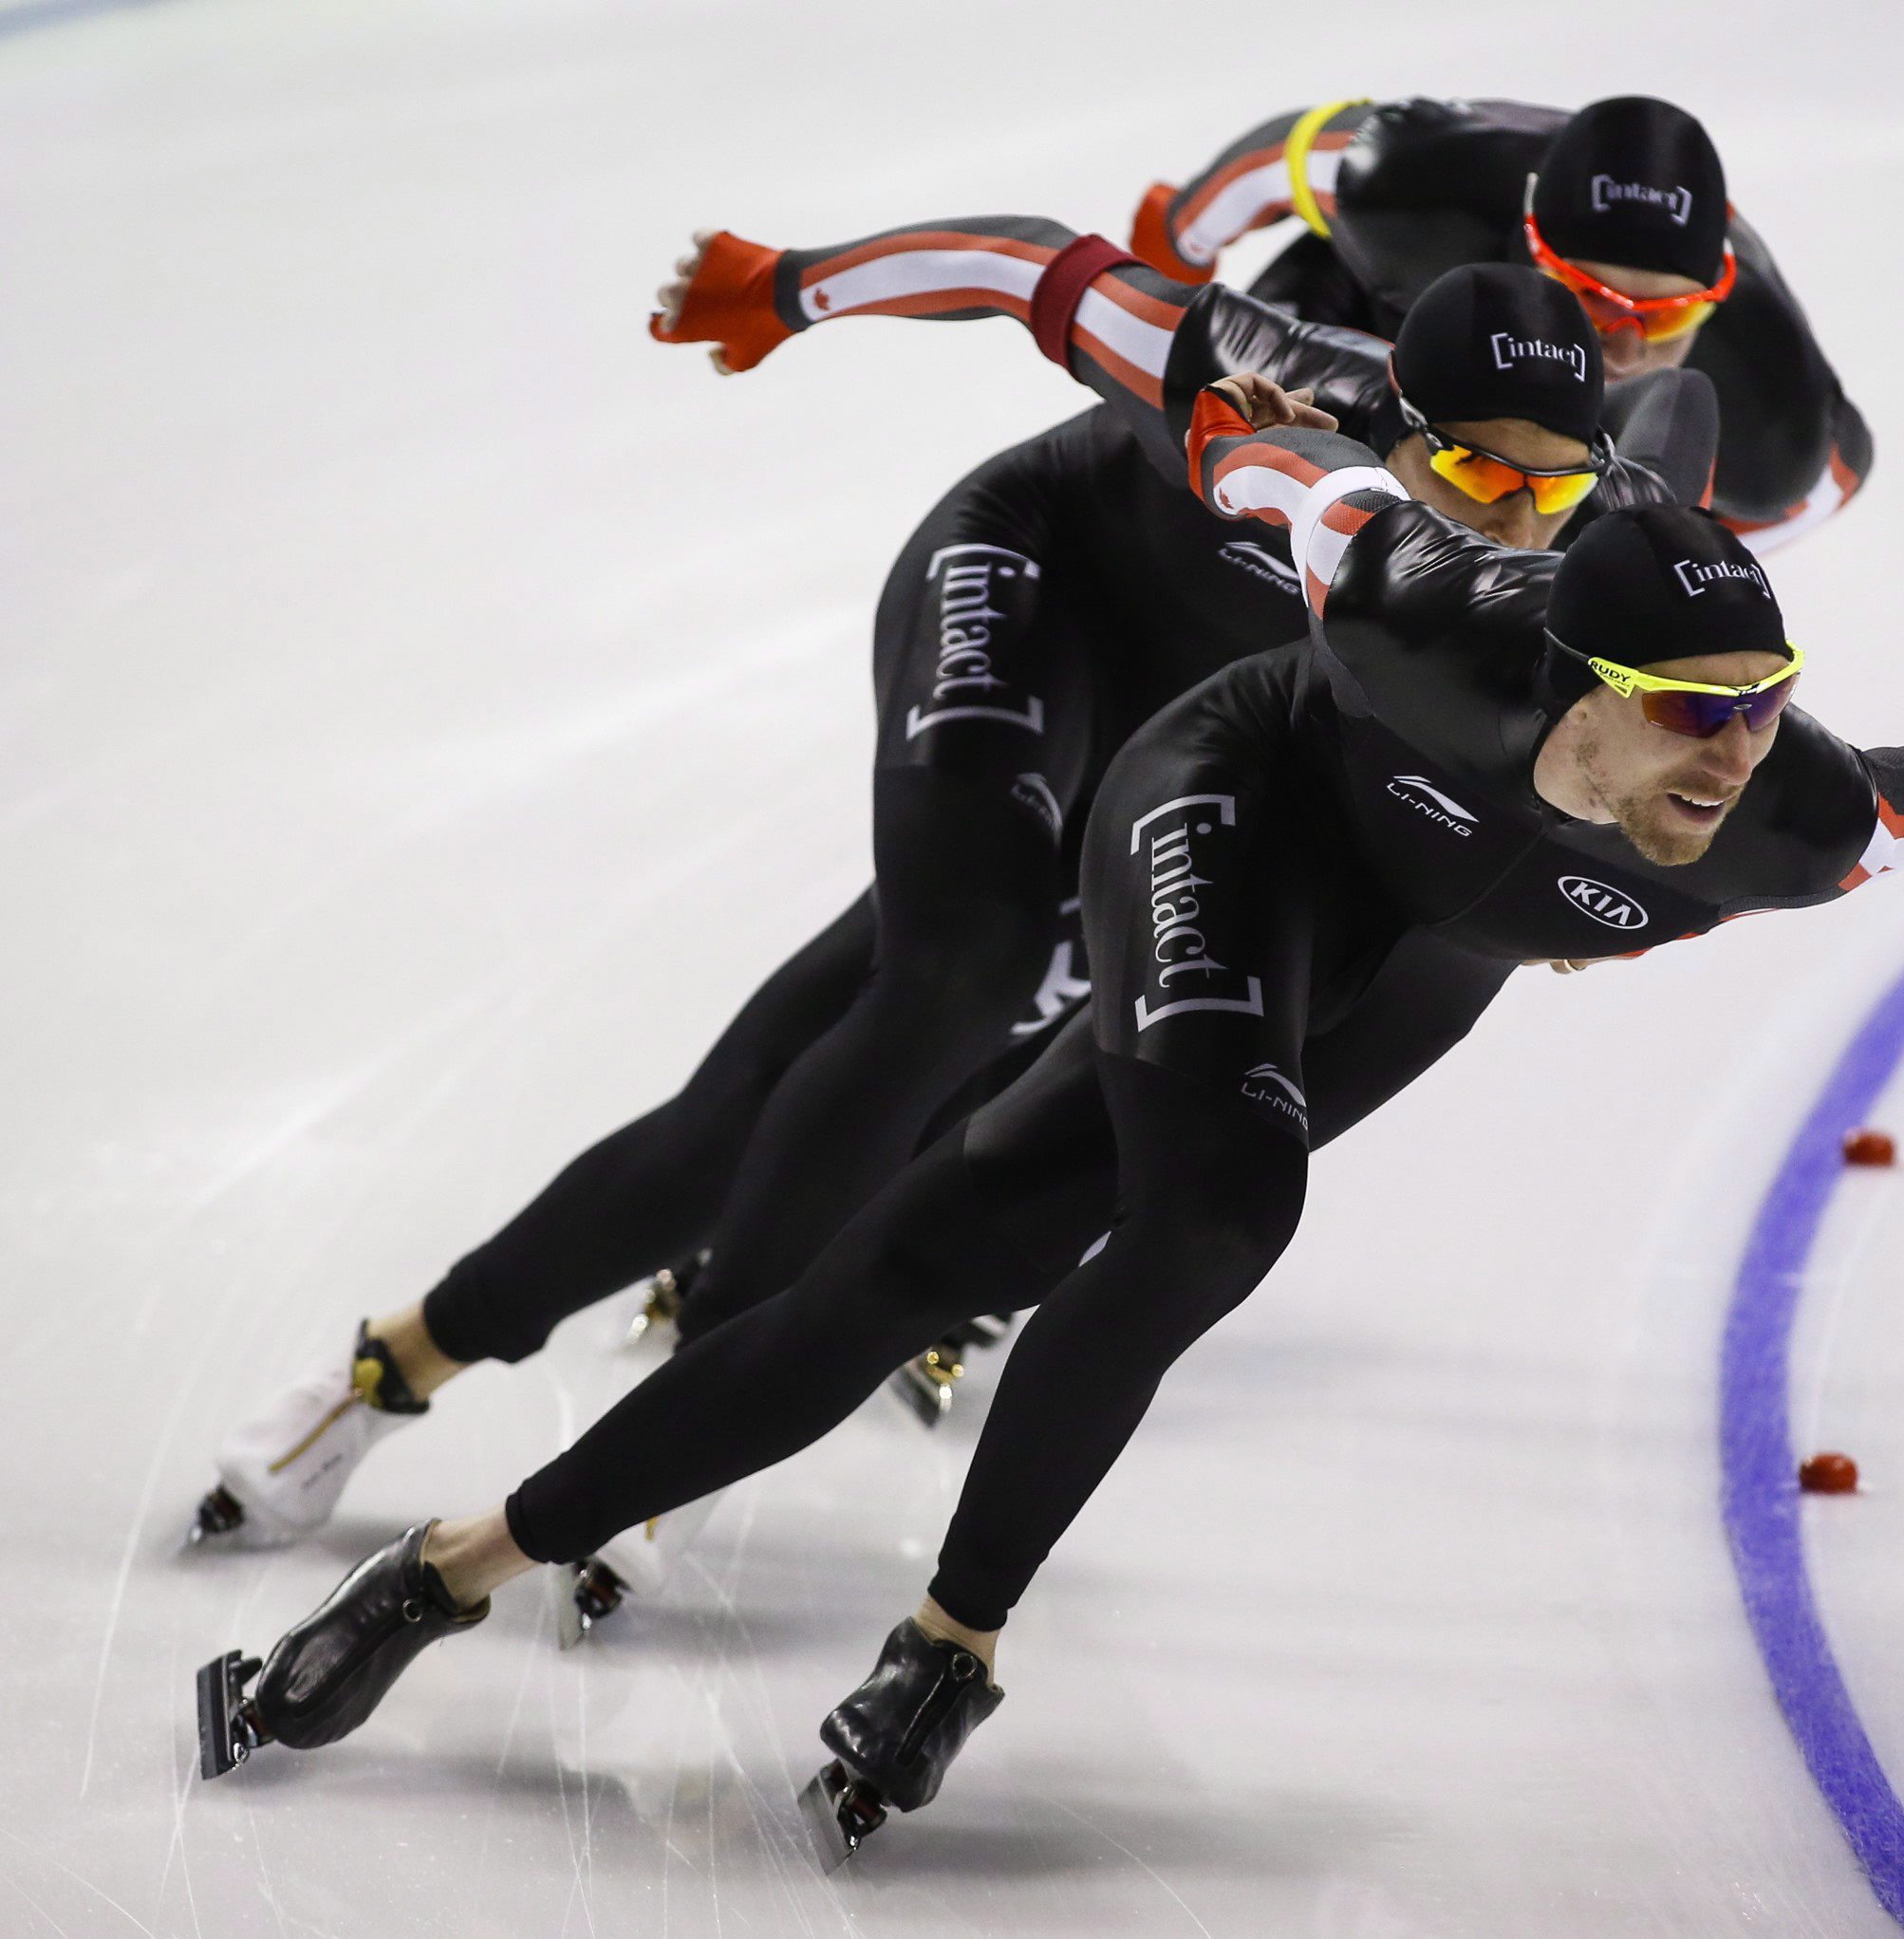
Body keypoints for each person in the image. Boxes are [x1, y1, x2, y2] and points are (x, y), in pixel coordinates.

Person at [197, 334, 1904, 1857]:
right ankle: (712, 1606)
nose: (1733, 755)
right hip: (1242, 805)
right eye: (1690, 715)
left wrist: (1762, 776)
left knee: (970, 1250)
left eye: (1763, 707)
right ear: (1574, 675)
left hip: (1433, 944)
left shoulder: (1800, 819)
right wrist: (1231, 425)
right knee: (1207, 1210)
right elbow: (1298, 477)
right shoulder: (1418, 615)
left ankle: (540, 1579)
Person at [188, 216, 1716, 1628]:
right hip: (1038, 585)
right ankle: (613, 1378)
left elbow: (1668, 685)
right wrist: (787, 287)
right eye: (1476, 476)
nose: (1510, 517)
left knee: (843, 1085)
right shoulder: (1263, 370)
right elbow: (1028, 264)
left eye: (1548, 490)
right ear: (1396, 416)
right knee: (957, 979)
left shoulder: (1604, 543)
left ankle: (413, 1348)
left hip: (1189, 737)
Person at [1131, 93, 1872, 550]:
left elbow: (1832, 479)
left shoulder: (1777, 417)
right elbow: (1270, 165)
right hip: (1371, 300)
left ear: (1717, 294)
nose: (1620, 347)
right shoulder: (1413, 184)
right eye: (1588, 296)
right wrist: (1178, 241)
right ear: (1528, 237)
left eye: (1666, 317)